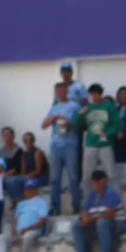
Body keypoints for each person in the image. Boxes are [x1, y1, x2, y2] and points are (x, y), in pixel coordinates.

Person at [76, 84, 121, 198]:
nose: (94, 96)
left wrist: (108, 133)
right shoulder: (88, 107)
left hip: (105, 144)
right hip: (90, 144)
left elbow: (119, 124)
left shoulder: (109, 106)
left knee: (111, 175)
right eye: (92, 94)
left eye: (96, 94)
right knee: (86, 177)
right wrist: (81, 114)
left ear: (101, 94)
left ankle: (116, 202)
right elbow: (76, 124)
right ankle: (89, 202)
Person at [43, 83, 81, 215]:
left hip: (70, 144)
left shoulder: (75, 106)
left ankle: (76, 205)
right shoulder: (54, 107)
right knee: (54, 179)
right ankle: (55, 207)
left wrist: (69, 124)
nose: (59, 93)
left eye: (61, 91)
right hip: (55, 145)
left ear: (66, 91)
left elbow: (81, 124)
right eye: (57, 91)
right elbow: (43, 125)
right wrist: (54, 118)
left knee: (73, 177)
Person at [71, 171, 121, 252]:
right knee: (76, 225)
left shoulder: (111, 193)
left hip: (116, 223)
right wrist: (84, 218)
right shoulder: (92, 195)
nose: (96, 183)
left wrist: (91, 220)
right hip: (97, 222)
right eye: (94, 181)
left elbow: (110, 215)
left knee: (102, 223)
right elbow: (85, 212)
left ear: (104, 181)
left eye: (98, 181)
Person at [8, 179, 48, 252]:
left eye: (31, 189)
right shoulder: (21, 204)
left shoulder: (41, 202)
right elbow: (15, 219)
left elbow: (42, 221)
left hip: (34, 230)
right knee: (1, 238)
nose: (28, 191)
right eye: (26, 189)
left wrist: (28, 229)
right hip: (19, 231)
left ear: (35, 190)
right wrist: (14, 229)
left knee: (27, 236)